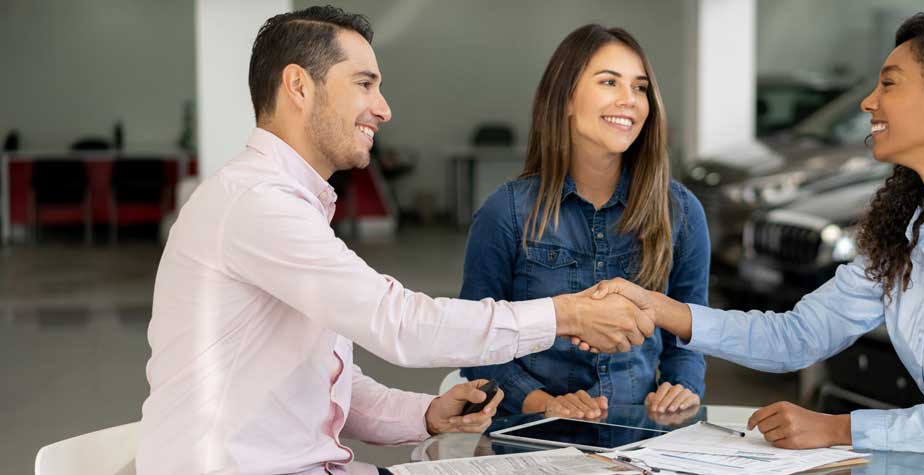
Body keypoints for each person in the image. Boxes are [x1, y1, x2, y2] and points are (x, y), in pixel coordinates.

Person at [588, 13, 924, 473]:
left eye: (889, 84)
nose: (869, 102)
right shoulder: (908, 232)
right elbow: (799, 337)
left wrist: (835, 428)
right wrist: (661, 309)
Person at [136, 7, 653, 475]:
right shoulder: (256, 203)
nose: (383, 109)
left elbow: (312, 378)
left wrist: (425, 414)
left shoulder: (286, 203)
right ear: (298, 86)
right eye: (364, 84)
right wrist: (567, 315)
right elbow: (398, 322)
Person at [458, 24, 709, 420]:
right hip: (532, 440)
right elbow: (475, 340)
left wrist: (683, 385)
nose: (630, 100)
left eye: (640, 87)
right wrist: (544, 404)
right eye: (610, 82)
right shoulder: (506, 212)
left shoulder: (680, 211)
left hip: (639, 440)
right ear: (566, 99)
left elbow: (690, 330)